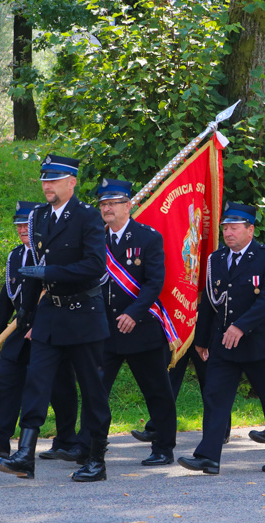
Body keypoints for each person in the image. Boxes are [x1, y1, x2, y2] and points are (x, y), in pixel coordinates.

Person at [0, 154, 111, 482]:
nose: (47, 185)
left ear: (71, 183)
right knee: (36, 383)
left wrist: (52, 271)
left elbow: (95, 266)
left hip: (83, 315)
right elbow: (33, 270)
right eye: (45, 179)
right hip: (48, 315)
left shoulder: (87, 217)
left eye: (55, 179)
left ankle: (96, 459)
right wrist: (27, 316)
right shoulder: (38, 217)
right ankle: (25, 455)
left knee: (92, 390)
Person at [178, 202, 265, 474]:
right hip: (224, 344)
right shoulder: (216, 259)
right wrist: (202, 339)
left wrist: (241, 326)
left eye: (234, 228)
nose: (228, 233)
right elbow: (209, 302)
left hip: (259, 343)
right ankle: (208, 456)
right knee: (215, 397)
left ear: (250, 230)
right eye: (225, 228)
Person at [0, 201, 79, 460]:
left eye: (26, 224)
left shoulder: (52, 254)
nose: (21, 229)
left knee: (59, 387)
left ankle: (66, 441)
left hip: (52, 330)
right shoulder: (15, 256)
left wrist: (41, 325)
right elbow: (7, 296)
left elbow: (59, 292)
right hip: (18, 331)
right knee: (6, 381)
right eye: (18, 225)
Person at [89, 177, 177, 466]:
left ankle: (163, 448)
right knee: (96, 389)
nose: (107, 208)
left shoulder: (147, 237)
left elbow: (155, 283)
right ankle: (90, 446)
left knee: (157, 390)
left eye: (113, 203)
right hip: (104, 329)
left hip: (141, 328)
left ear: (129, 205)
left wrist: (134, 313)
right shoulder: (94, 239)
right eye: (103, 204)